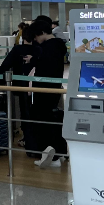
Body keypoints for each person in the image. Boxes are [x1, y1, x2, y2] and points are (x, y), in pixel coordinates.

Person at [24, 19, 68, 168]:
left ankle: (51, 156)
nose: (36, 40)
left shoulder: (47, 48)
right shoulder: (58, 45)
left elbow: (45, 67)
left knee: (43, 122)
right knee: (52, 121)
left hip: (43, 89)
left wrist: (33, 60)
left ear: (42, 32)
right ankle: (60, 154)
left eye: (36, 36)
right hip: (53, 88)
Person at [0, 25, 38, 138]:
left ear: (22, 37)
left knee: (24, 110)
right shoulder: (39, 49)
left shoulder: (17, 49)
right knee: (35, 111)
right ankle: (34, 135)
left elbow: (5, 66)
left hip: (21, 85)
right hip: (37, 85)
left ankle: (26, 137)